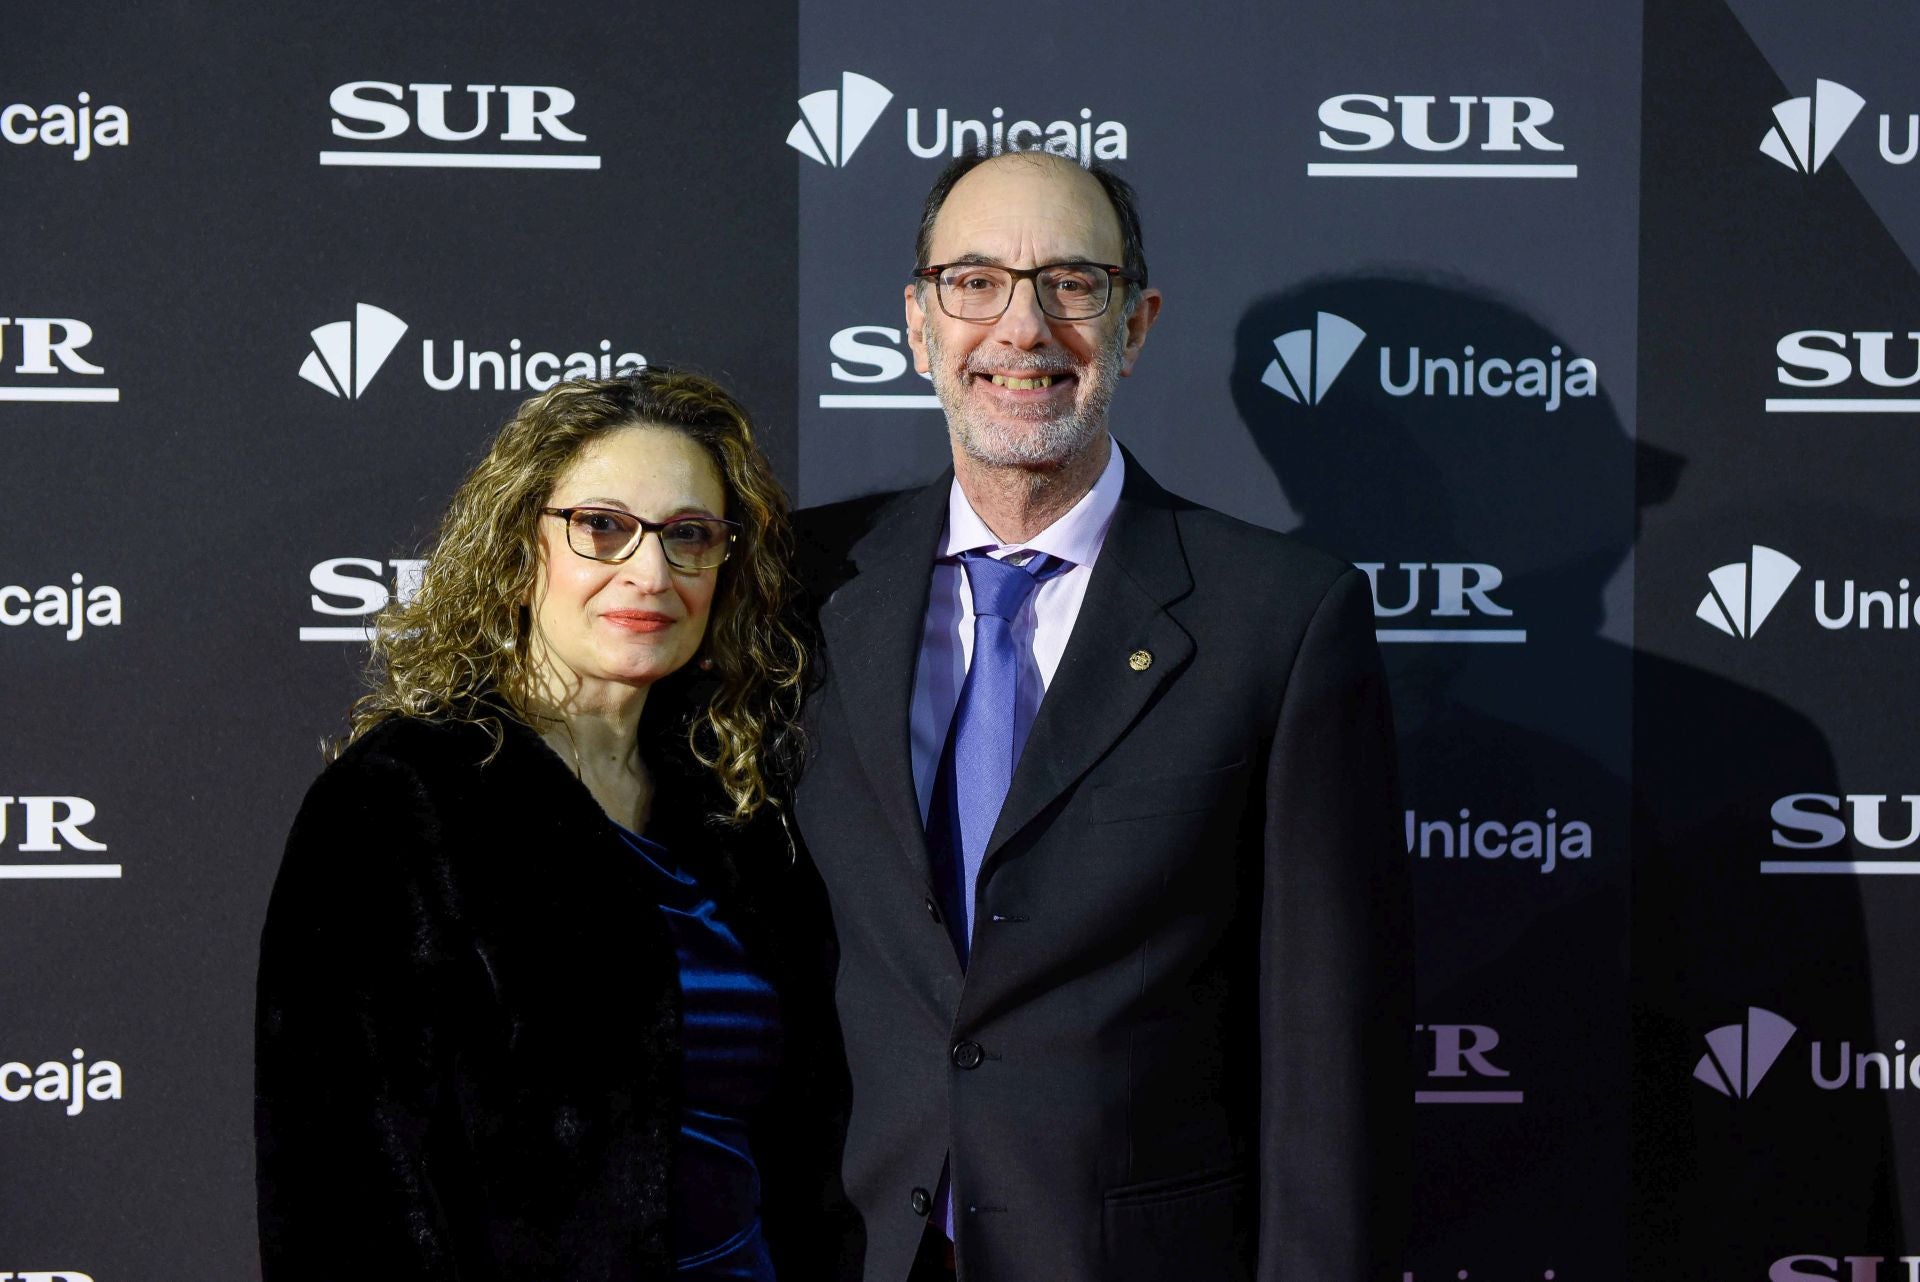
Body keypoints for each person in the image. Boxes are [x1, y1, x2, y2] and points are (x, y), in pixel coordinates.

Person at [792, 151, 1411, 1281]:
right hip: (850, 1247)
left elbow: (1329, 1055)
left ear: (1135, 324)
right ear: (920, 325)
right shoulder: (803, 584)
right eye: (975, 281)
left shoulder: (1278, 615)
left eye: (1071, 283)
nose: (1022, 328)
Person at [256, 370, 828, 1281]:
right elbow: (343, 1199)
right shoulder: (402, 801)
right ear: (521, 551)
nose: (649, 572)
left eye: (689, 536)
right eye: (601, 528)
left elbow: (801, 1150)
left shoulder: (738, 817)